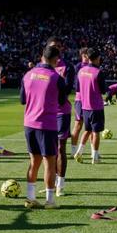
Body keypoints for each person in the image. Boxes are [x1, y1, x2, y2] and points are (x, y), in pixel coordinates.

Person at [20, 44, 68, 209]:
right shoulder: (57, 79)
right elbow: (62, 102)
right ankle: (50, 200)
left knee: (34, 162)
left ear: (42, 56)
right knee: (50, 162)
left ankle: (30, 197)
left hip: (29, 123)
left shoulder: (28, 75)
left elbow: (22, 100)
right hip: (47, 125)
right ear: (56, 59)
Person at [47, 37, 76, 198]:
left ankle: (60, 184)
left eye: (58, 47)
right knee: (48, 151)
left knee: (60, 148)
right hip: (45, 113)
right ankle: (50, 182)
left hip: (60, 112)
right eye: (53, 47)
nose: (56, 49)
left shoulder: (68, 67)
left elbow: (66, 92)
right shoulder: (42, 67)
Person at [73, 48, 108, 164]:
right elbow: (103, 90)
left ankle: (79, 151)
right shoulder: (98, 72)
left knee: (87, 130)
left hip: (85, 106)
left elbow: (77, 88)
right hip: (96, 107)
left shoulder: (81, 71)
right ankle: (95, 157)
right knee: (96, 132)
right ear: (97, 58)